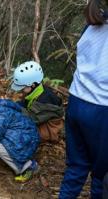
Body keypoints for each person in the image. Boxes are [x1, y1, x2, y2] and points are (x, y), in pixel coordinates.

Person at [59, 0, 108, 198]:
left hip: (77, 100)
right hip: (102, 109)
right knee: (101, 175)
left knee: (76, 167)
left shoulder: (90, 25)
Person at [11, 61, 64, 142]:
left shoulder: (45, 100)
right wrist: (12, 105)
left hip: (48, 129)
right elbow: (24, 104)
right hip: (38, 120)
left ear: (32, 85)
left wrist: (11, 110)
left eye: (22, 86)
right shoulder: (36, 90)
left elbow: (30, 119)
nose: (21, 89)